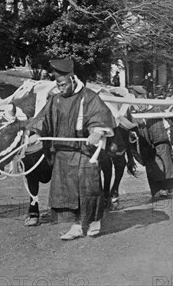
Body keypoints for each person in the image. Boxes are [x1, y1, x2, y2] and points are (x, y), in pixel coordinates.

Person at [28, 58, 116, 240]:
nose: (60, 87)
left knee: (89, 188)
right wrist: (36, 132)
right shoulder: (55, 100)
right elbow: (43, 118)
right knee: (67, 191)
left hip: (84, 152)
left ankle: (95, 221)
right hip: (63, 154)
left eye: (63, 84)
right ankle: (76, 225)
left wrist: (97, 132)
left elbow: (99, 116)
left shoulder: (89, 97)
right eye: (57, 84)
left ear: (73, 79)